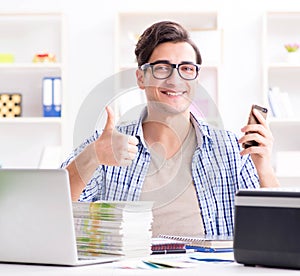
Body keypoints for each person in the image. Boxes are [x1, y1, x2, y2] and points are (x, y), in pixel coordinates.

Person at [61, 21, 280, 237]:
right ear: (141, 78)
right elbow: (56, 211)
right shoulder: (105, 145)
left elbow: (276, 230)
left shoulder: (232, 149)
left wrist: (264, 169)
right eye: (162, 68)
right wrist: (92, 156)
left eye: (186, 68)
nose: (175, 79)